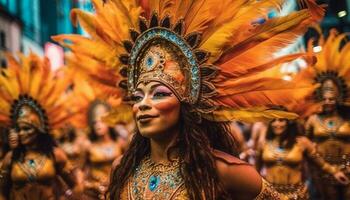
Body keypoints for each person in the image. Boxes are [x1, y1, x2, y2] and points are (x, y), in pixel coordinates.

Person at [54, 0, 324, 198]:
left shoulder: (222, 170)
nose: (143, 104)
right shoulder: (121, 168)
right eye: (138, 96)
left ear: (187, 103)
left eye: (159, 94)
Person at [0, 53, 82, 200]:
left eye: (27, 128)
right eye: (19, 129)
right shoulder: (11, 158)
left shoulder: (55, 155)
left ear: (39, 130)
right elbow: (2, 192)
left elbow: (76, 185)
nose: (22, 133)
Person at [297, 29, 350, 200]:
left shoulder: (347, 119)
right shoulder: (312, 120)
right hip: (322, 172)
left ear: (339, 98)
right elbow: (306, 147)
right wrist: (325, 168)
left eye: (331, 99)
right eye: (324, 98)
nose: (328, 102)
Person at [257, 107, 349, 199]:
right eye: (273, 120)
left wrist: (335, 172)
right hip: (271, 196)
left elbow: (320, 163)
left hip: (296, 196)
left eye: (281, 120)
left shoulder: (302, 142)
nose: (277, 124)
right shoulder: (263, 143)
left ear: (289, 122)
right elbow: (256, 170)